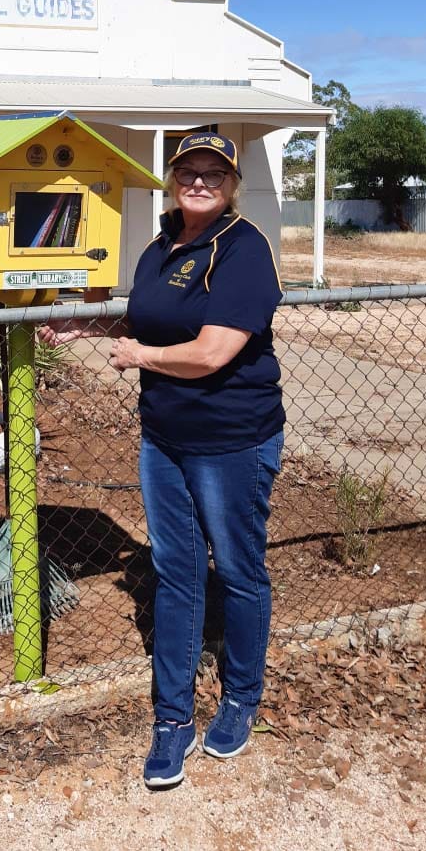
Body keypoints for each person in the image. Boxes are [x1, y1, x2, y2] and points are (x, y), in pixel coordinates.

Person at [40, 132, 284, 788]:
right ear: (172, 177)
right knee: (176, 573)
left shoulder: (242, 249)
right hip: (164, 440)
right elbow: (151, 323)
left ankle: (240, 698)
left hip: (232, 439)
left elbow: (210, 352)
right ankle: (172, 719)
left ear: (231, 184)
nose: (199, 181)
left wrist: (141, 359)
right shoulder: (160, 246)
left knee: (236, 569)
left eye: (213, 172)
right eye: (188, 170)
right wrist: (88, 328)